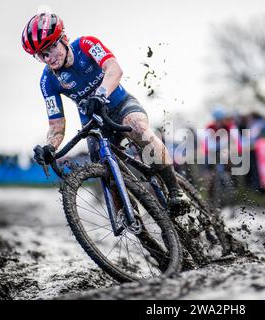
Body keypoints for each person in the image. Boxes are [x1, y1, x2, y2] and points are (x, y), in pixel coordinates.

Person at [21, 12, 189, 211]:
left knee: (138, 127)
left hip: (121, 105)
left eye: (51, 48)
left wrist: (100, 94)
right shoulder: (47, 81)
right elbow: (56, 126)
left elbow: (114, 69)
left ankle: (175, 190)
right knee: (106, 171)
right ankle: (131, 221)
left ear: (64, 39)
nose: (49, 57)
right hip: (94, 123)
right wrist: (50, 147)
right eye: (41, 55)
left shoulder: (86, 44)